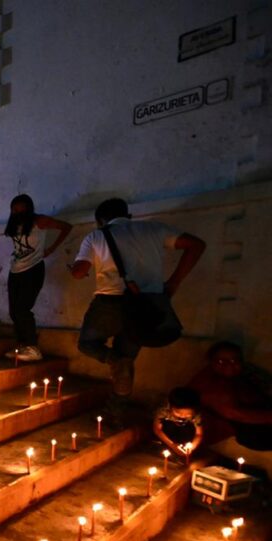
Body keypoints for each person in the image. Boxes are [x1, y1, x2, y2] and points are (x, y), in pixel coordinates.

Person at [71, 197, 206, 402]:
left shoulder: (96, 236)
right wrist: (174, 282)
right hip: (147, 305)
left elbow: (79, 273)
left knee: (88, 343)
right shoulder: (153, 229)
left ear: (100, 220)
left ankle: (114, 360)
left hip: (110, 303)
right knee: (127, 357)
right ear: (129, 216)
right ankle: (117, 412)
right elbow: (196, 245)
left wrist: (76, 269)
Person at [4, 194, 72, 362]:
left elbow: (66, 227)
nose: (18, 212)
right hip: (15, 270)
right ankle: (22, 346)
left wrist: (51, 248)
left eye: (22, 208)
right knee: (14, 311)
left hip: (33, 269)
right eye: (15, 209)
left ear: (29, 208)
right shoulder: (14, 224)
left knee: (23, 309)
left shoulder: (39, 221)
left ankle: (33, 348)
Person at [189, 341, 272, 476]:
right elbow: (233, 413)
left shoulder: (243, 376)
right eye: (222, 361)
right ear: (212, 362)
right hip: (239, 427)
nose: (229, 365)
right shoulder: (210, 383)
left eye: (235, 360)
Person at [152, 386, 203, 458]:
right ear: (170, 406)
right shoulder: (163, 410)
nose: (182, 416)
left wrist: (191, 448)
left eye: (187, 415)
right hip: (167, 435)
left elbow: (199, 434)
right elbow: (157, 429)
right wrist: (172, 445)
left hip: (184, 435)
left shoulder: (196, 415)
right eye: (178, 413)